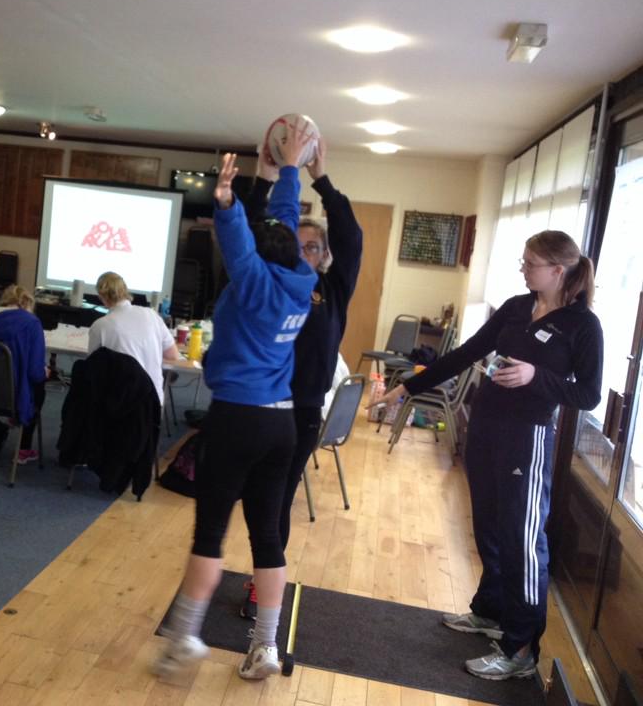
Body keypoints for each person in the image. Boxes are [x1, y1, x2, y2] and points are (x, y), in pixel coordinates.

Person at [376, 230, 603, 680]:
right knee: (489, 526)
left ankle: (520, 649)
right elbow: (466, 353)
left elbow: (590, 395)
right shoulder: (518, 308)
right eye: (523, 261)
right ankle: (490, 611)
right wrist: (405, 388)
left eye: (530, 263)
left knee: (522, 540)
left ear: (558, 271)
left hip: (528, 437)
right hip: (486, 428)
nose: (523, 269)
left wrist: (537, 374)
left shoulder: (582, 325)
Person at [152, 123, 317, 682]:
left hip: (236, 420)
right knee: (267, 536)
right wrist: (286, 170)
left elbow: (242, 243)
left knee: (210, 535)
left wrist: (226, 204)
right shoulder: (300, 279)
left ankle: (185, 640)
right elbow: (283, 224)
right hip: (282, 426)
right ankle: (265, 647)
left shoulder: (250, 281)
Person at [238, 137, 364, 620]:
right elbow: (247, 233)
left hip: (302, 413)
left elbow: (351, 236)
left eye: (316, 246)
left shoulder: (333, 288)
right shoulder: (269, 282)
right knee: (252, 499)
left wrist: (321, 177)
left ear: (324, 255)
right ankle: (253, 575)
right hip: (256, 407)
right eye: (301, 244)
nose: (308, 252)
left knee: (276, 500)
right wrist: (265, 178)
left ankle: (261, 587)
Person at [0, 285, 48, 464]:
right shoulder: (31, 323)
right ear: (26, 303)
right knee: (39, 388)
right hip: (14, 394)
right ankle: (23, 448)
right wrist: (46, 372)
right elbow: (35, 372)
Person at [87, 271, 180, 409]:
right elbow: (172, 355)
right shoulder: (151, 315)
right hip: (153, 401)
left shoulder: (100, 326)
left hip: (118, 403)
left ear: (102, 297)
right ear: (125, 291)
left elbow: (93, 367)